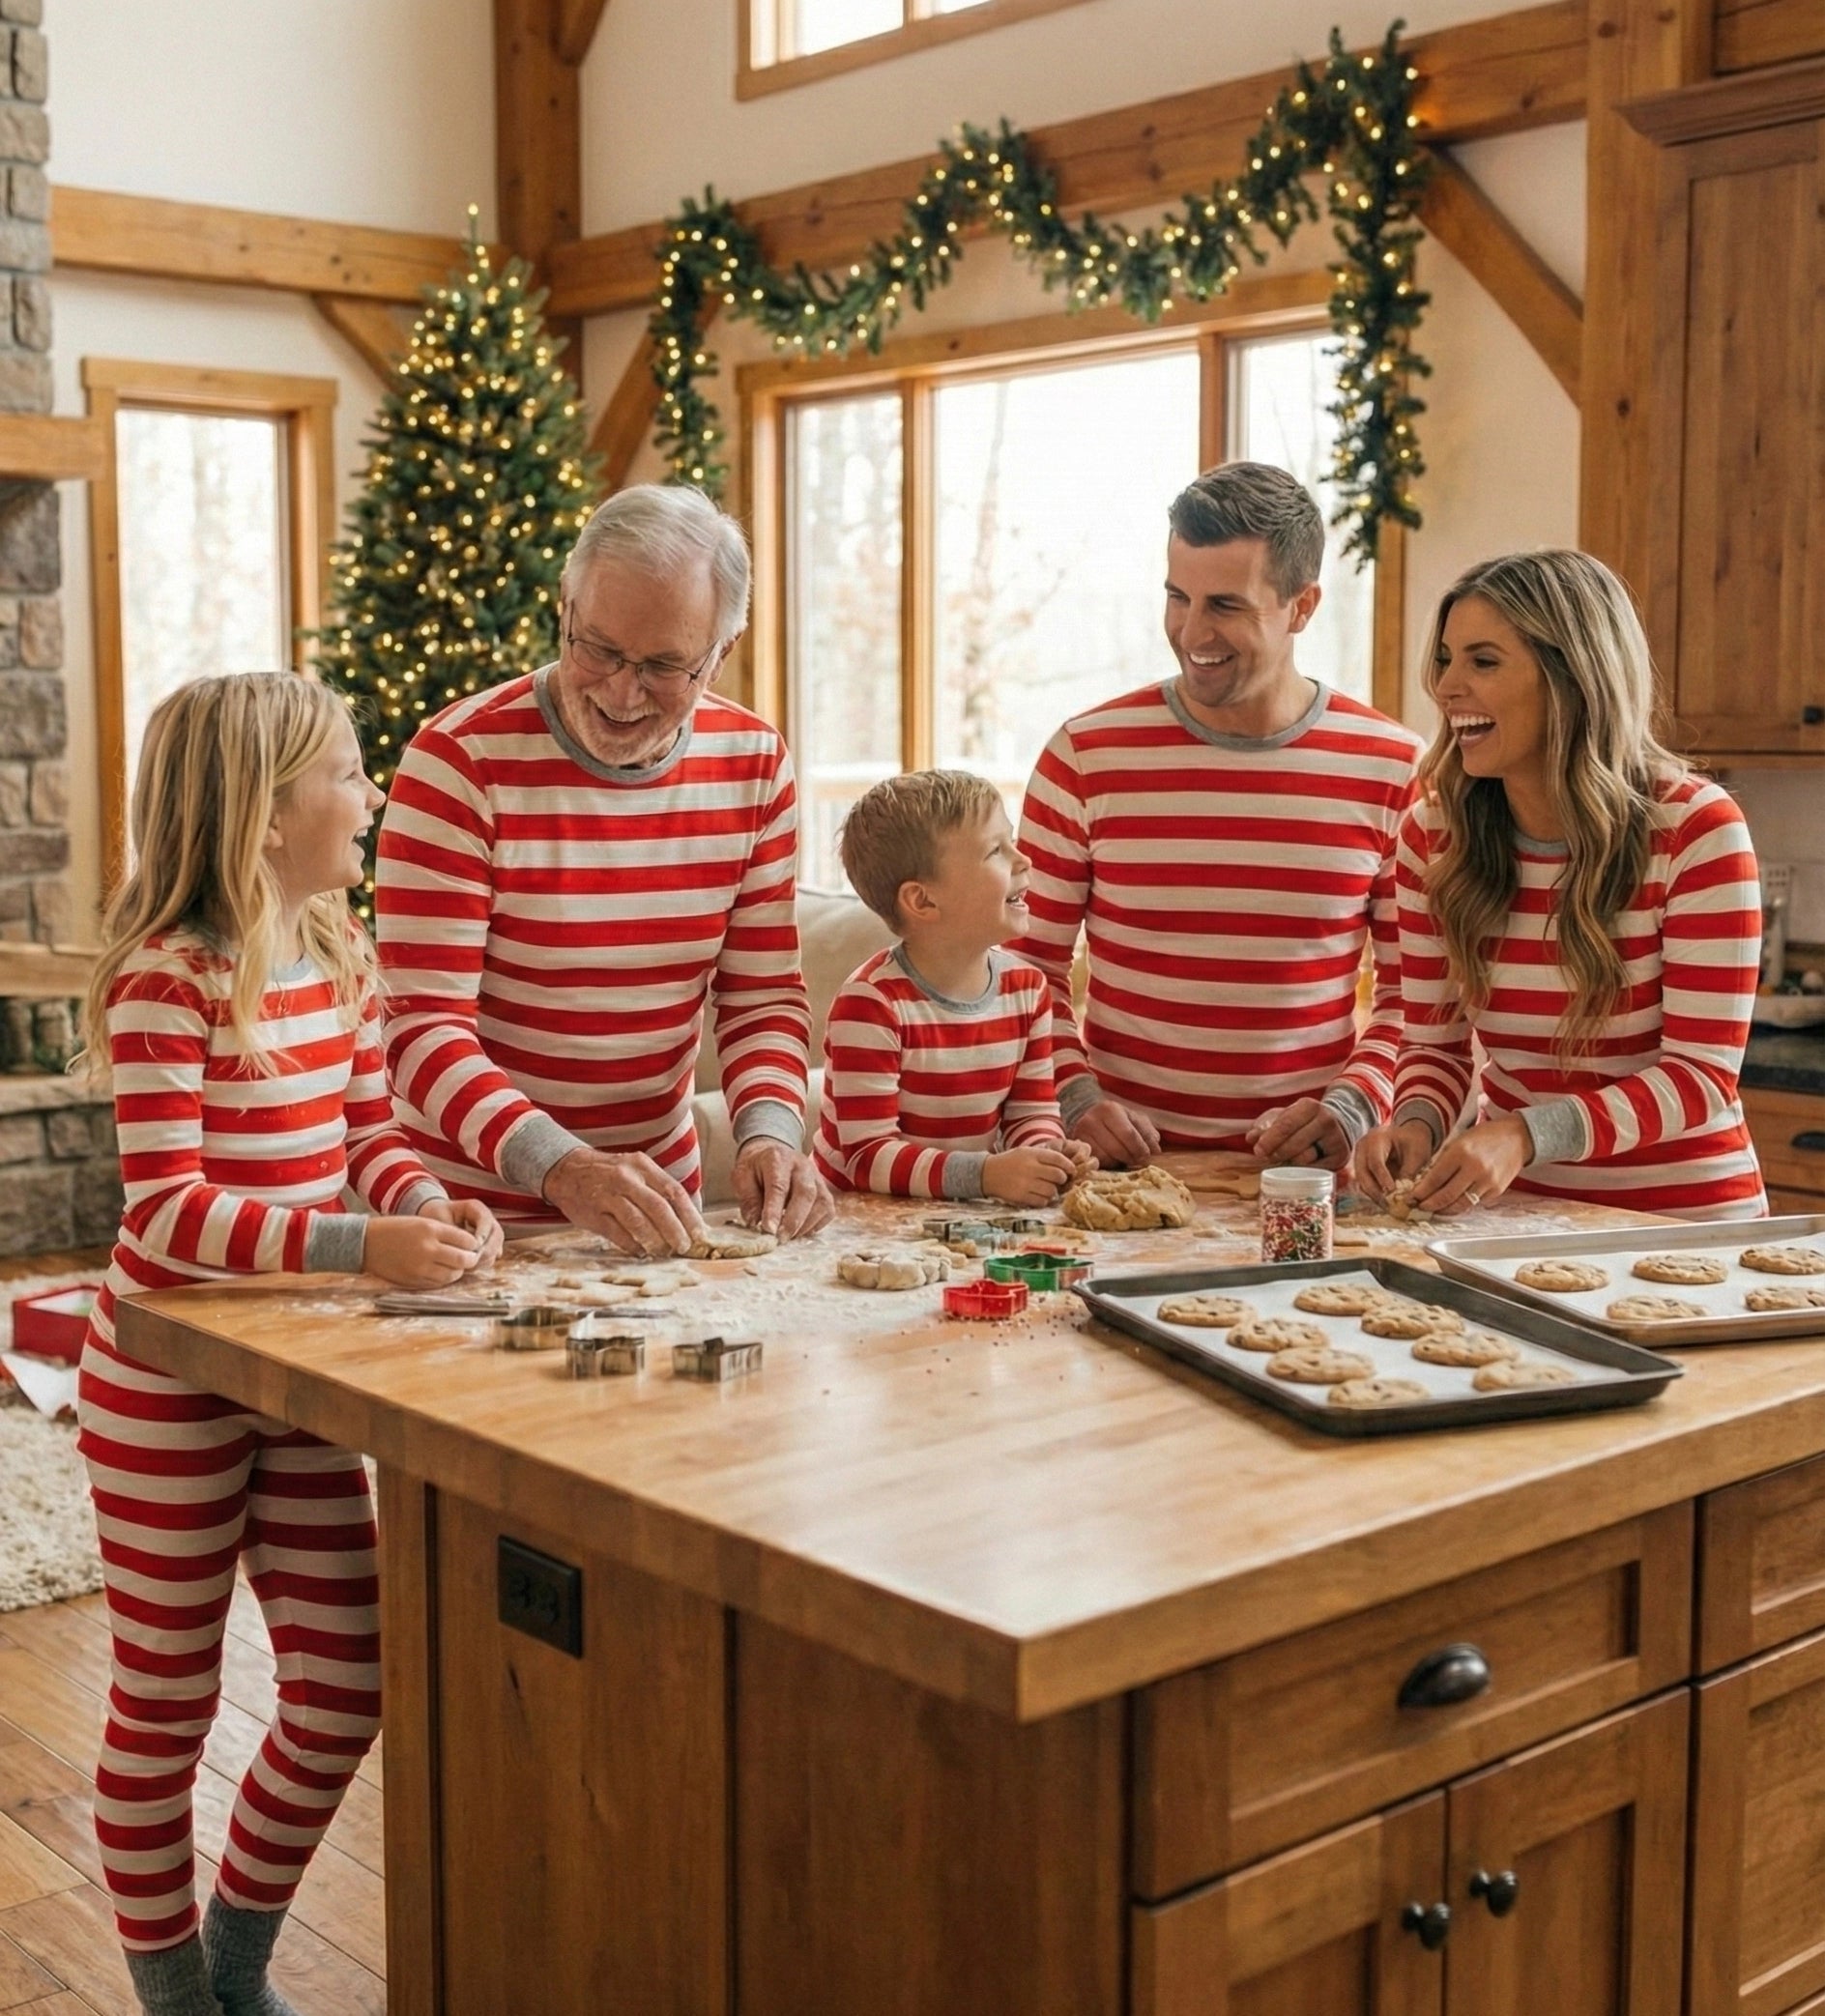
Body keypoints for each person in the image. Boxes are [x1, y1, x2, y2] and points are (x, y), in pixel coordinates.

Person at [75, 675, 502, 2016]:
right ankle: (172, 1996)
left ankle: (236, 1961)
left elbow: (368, 1134)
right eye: (348, 772)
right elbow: (169, 1210)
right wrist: (354, 1247)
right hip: (165, 1386)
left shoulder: (342, 950)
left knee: (345, 1693)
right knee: (166, 1703)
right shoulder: (167, 980)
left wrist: (419, 1195)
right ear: (264, 814)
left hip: (301, 1377)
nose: (369, 796)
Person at [375, 484, 831, 1256]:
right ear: (565, 606)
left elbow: (759, 997)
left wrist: (770, 1133)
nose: (622, 692)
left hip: (662, 1214)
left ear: (721, 653)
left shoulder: (754, 764)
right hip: (464, 1226)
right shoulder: (458, 763)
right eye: (599, 649)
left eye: (664, 666)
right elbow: (421, 1030)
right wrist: (563, 1168)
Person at [1013, 461, 1423, 1171]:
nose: (1190, 630)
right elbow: (1026, 969)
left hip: (1309, 1184)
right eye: (1178, 596)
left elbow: (1416, 992)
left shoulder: (1393, 769)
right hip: (1117, 1180)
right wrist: (1076, 1098)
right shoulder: (1083, 755)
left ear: (1302, 606)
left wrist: (1353, 1105)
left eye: (1225, 606)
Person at [1355, 549, 1765, 1219]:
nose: (1445, 686)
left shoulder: (1696, 831)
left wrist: (1526, 1135)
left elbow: (1700, 1077)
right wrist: (1418, 1126)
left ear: (1572, 679)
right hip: (1515, 1222)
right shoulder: (1435, 836)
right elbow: (1434, 1044)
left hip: (1684, 1225)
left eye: (1483, 661)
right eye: (1447, 658)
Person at [815, 769, 1091, 1203]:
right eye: (995, 851)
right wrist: (985, 1176)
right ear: (923, 901)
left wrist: (1045, 1154)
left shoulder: (1028, 991)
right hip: (861, 1225)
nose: (1024, 860)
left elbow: (1032, 1113)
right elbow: (867, 1157)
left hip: (956, 1219)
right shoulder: (871, 1004)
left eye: (1012, 841)